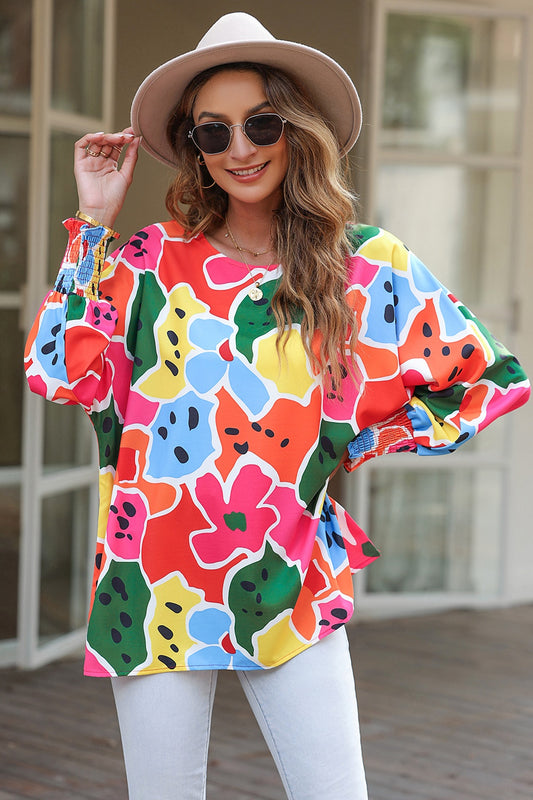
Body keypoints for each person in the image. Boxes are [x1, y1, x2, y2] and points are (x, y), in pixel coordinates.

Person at [24, 12, 530, 800]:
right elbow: (54, 368)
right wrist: (93, 222)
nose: (240, 148)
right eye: (213, 132)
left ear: (295, 128)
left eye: (261, 123)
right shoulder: (148, 262)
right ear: (194, 148)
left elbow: (487, 378)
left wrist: (347, 447)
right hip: (151, 581)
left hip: (293, 579)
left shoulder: (364, 265)